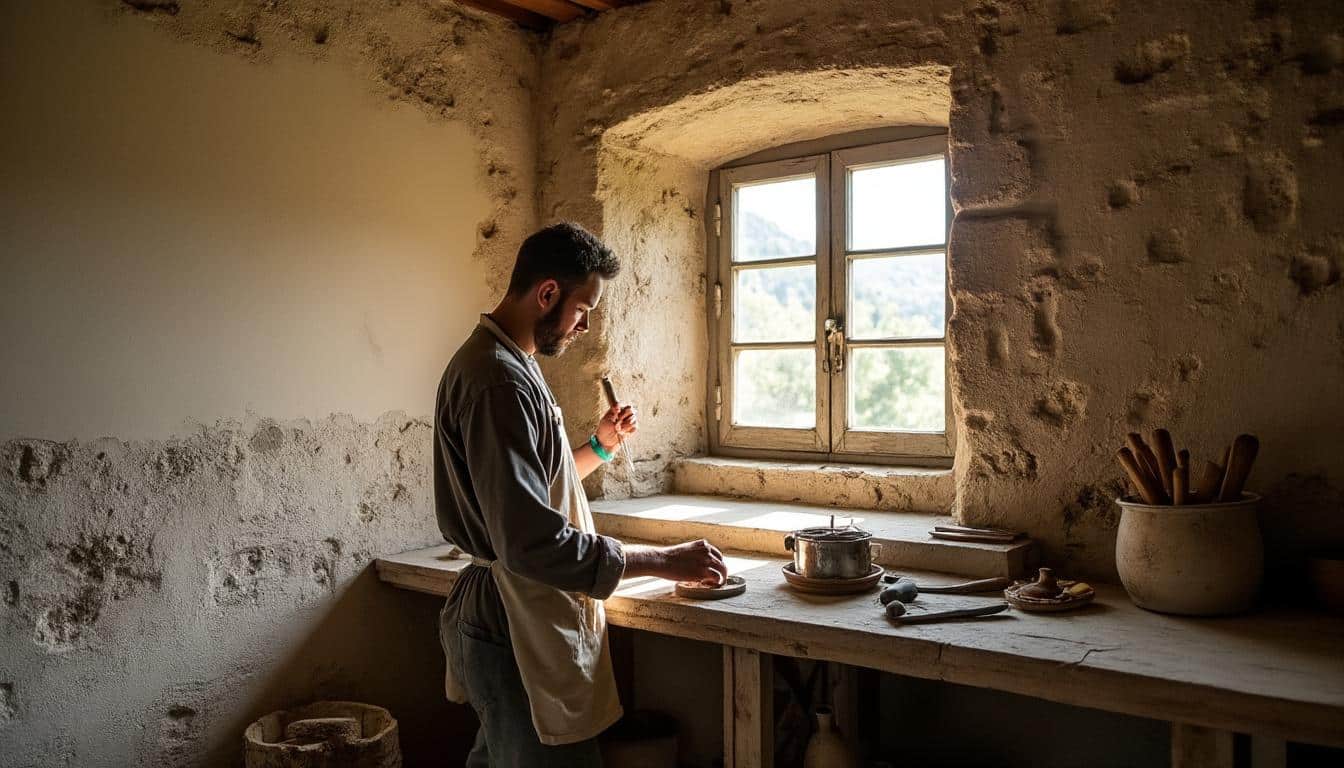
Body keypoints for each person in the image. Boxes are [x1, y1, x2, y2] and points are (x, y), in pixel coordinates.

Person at [434, 222, 728, 766]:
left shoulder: (510, 364)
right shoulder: (497, 380)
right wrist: (663, 559)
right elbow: (529, 540)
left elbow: (533, 487)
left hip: (513, 608)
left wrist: (601, 445)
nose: (586, 325)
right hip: (513, 615)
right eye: (582, 308)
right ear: (547, 293)